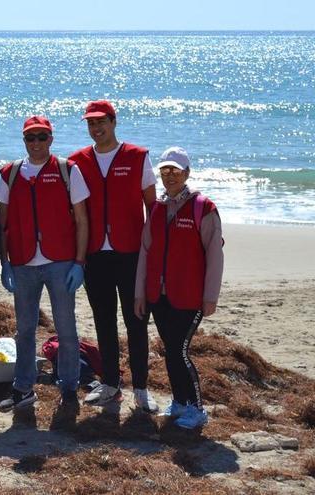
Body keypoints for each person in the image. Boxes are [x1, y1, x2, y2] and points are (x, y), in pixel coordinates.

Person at [68, 100, 159, 413]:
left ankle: (142, 389)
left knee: (137, 322)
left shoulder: (137, 157)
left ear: (113, 121)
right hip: (96, 255)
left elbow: (153, 208)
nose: (96, 128)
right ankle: (110, 384)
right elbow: (73, 211)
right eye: (91, 123)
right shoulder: (77, 161)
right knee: (103, 321)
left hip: (131, 253)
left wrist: (154, 251)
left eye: (101, 122)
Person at [0, 115, 90, 413]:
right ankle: (23, 388)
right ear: (24, 141)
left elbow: (82, 220)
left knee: (66, 329)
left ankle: (69, 388)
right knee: (24, 329)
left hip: (60, 262)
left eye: (41, 137)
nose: (36, 143)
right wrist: (4, 263)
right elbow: (2, 223)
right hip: (23, 264)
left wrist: (79, 262)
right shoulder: (10, 173)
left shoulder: (67, 170)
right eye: (30, 138)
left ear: (51, 139)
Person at [134, 147, 224, 429]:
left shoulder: (203, 207)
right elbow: (145, 252)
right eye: (164, 171)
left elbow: (215, 255)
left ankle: (197, 409)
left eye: (175, 170)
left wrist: (210, 297)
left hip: (189, 296)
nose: (169, 176)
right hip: (158, 296)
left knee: (179, 351)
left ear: (186, 173)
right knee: (170, 351)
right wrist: (140, 293)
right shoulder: (158, 209)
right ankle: (180, 402)